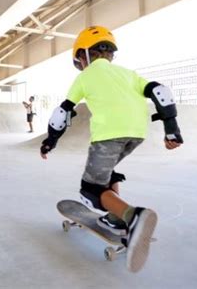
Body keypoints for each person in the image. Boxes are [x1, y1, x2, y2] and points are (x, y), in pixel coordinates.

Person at [40, 26, 183, 273]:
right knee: (108, 171)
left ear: (83, 55)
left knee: (92, 189)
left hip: (109, 134)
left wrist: (50, 141)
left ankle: (131, 216)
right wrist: (172, 130)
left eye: (79, 61)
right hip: (137, 133)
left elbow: (62, 113)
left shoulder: (84, 77)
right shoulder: (129, 74)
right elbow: (160, 92)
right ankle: (115, 218)